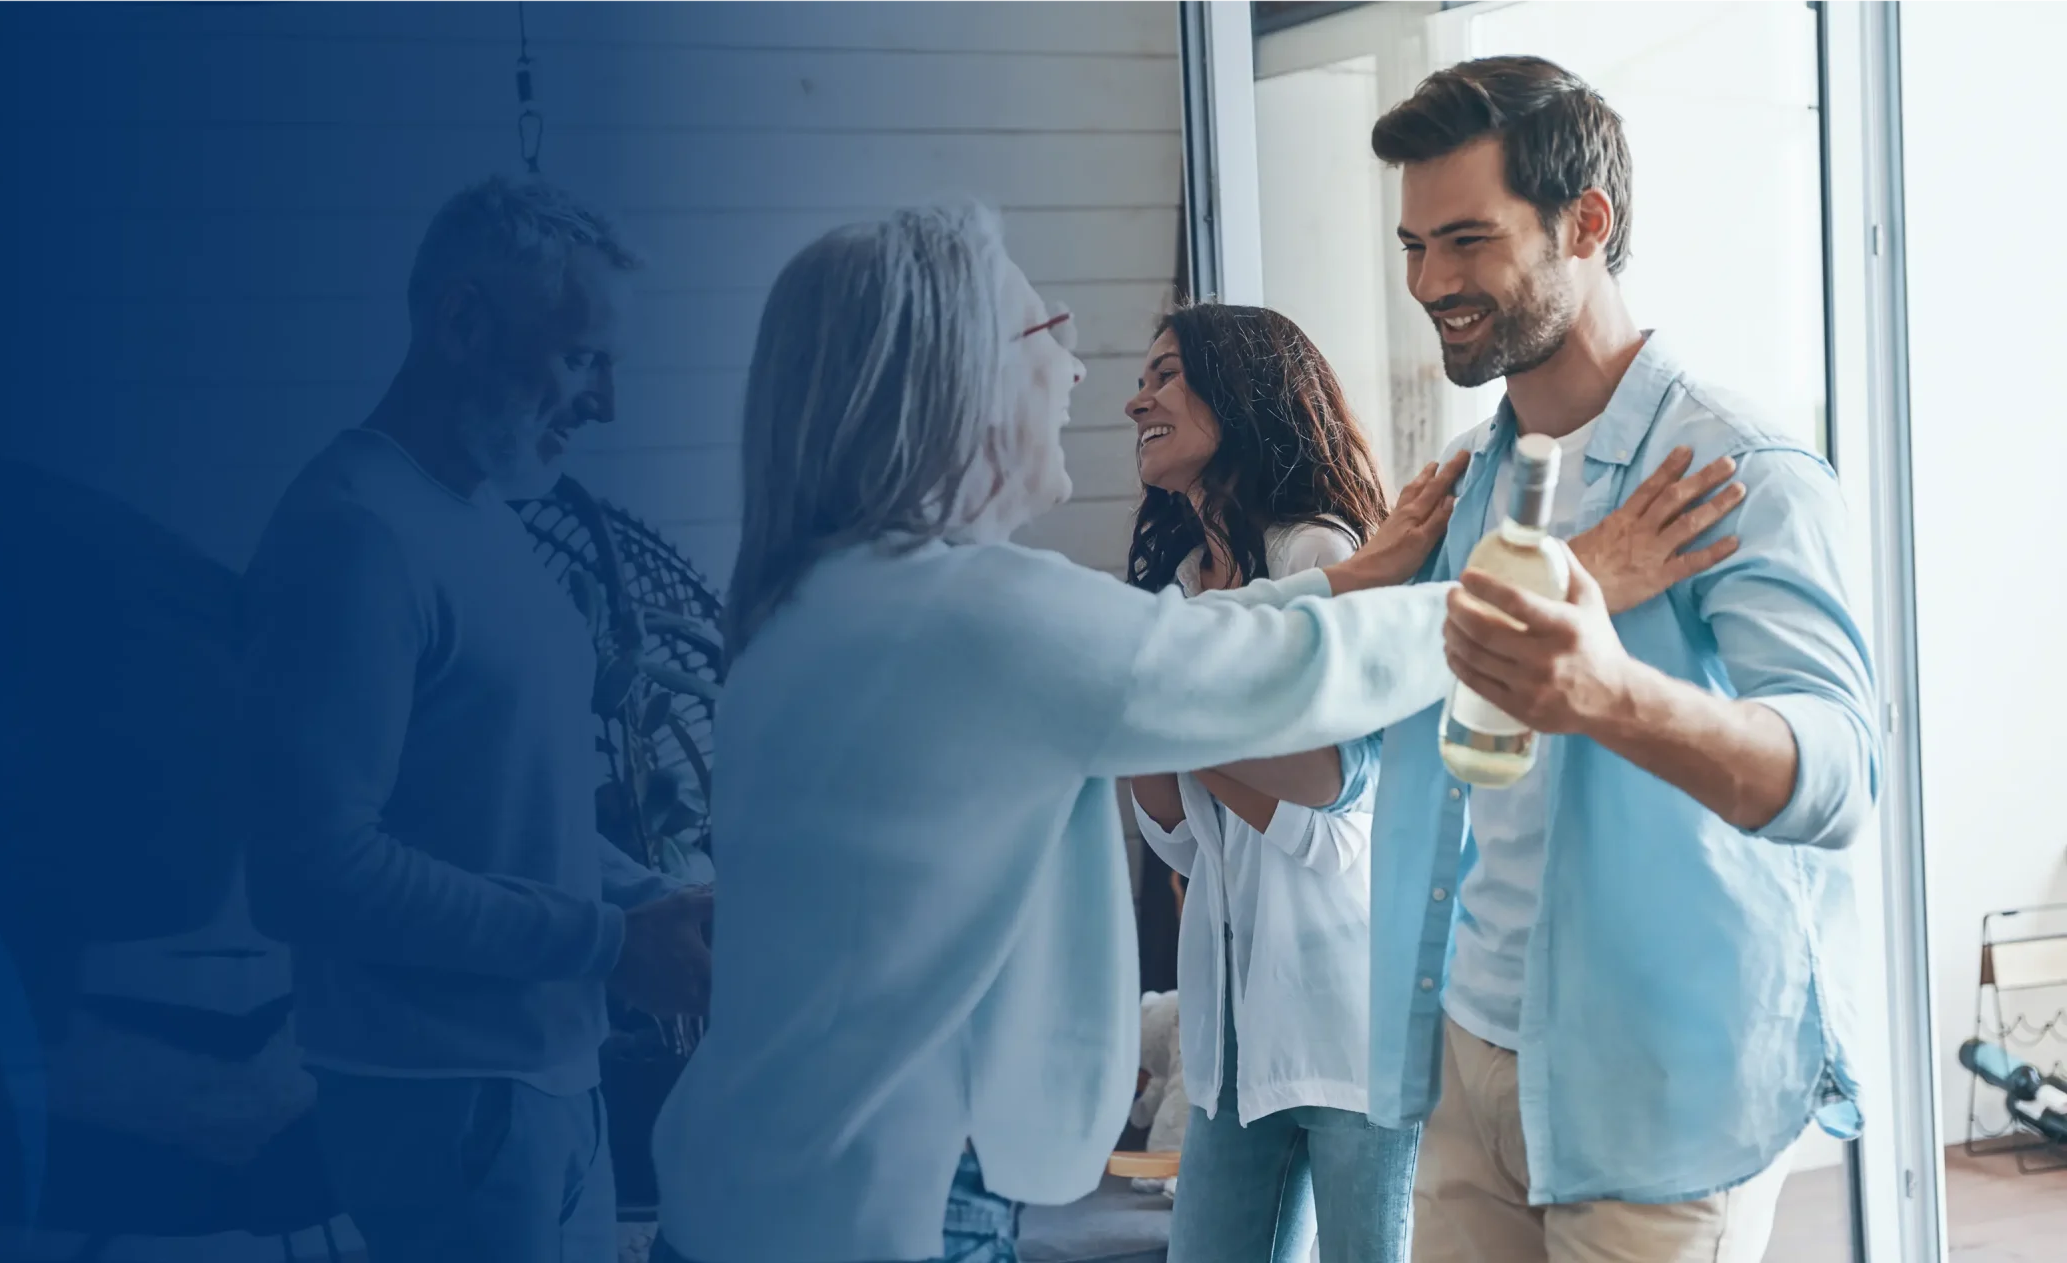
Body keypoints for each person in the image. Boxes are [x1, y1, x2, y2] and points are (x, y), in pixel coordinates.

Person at [648, 201, 1472, 1263]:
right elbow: (1268, 670)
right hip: (878, 1215)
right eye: (1052, 337)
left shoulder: (821, 603)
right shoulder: (966, 614)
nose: (1086, 379)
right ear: (957, 378)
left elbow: (1181, 644)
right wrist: (1546, 589)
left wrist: (1345, 578)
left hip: (756, 1196)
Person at [1361, 58, 1879, 1263]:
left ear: (1585, 222)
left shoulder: (1737, 468)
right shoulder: (1469, 478)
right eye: (1412, 247)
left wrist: (1609, 692)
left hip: (1656, 1089)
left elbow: (1839, 772)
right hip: (1471, 1062)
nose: (1430, 284)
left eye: (1465, 241)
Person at [1123, 304, 1743, 1263]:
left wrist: (1165, 712)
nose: (1138, 398)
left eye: (1165, 373)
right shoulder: (1175, 592)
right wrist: (1176, 715)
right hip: (1228, 1040)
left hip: (1348, 1023)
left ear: (1235, 388)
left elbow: (1336, 812)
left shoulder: (1325, 557)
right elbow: (1174, 835)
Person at [239, 175, 717, 1263]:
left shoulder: (479, 518)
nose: (606, 405)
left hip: (544, 1088)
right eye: (581, 359)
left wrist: (659, 905)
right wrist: (606, 944)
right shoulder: (352, 534)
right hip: (445, 1101)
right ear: (461, 323)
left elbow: (508, 817)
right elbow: (309, 872)